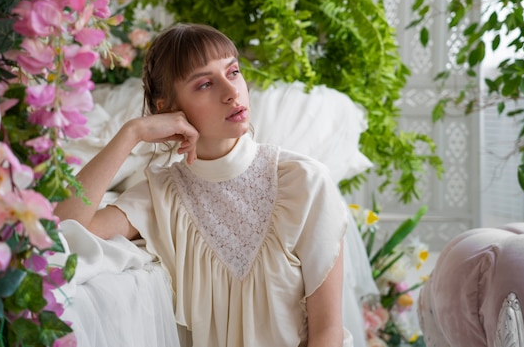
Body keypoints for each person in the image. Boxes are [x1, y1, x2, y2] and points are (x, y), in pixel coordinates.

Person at [55, 23, 354, 347]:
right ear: (168, 109)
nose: (231, 91)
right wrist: (132, 133)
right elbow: (67, 226)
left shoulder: (304, 183)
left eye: (234, 71)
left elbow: (328, 331)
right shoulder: (162, 195)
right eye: (205, 84)